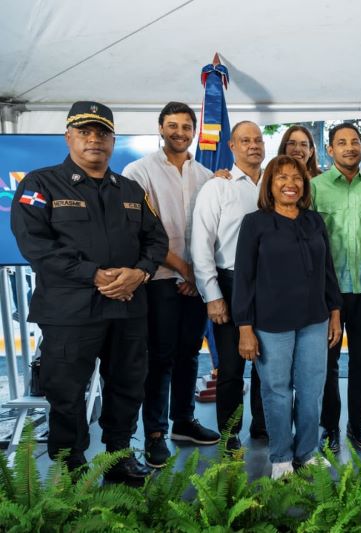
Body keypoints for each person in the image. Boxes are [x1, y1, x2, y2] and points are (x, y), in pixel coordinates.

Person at [10, 101, 168, 484]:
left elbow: (157, 239)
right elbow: (35, 244)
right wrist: (93, 275)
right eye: (84, 132)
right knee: (66, 391)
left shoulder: (130, 190)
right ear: (69, 137)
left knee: (128, 386)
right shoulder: (40, 185)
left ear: (113, 140)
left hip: (128, 308)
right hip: (70, 311)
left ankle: (118, 456)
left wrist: (140, 273)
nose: (94, 139)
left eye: (102, 133)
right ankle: (70, 464)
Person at [123, 102, 220, 469]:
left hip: (196, 282)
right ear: (160, 128)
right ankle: (155, 434)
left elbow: (211, 229)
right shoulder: (138, 172)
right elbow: (141, 231)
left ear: (194, 131)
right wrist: (183, 269)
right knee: (160, 357)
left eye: (186, 126)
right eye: (173, 125)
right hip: (160, 280)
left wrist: (196, 276)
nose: (180, 132)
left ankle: (184, 421)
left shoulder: (207, 176)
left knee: (189, 354)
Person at [233, 155, 342, 479]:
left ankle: (307, 452)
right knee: (277, 391)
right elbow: (243, 278)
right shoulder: (254, 223)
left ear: (304, 185)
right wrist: (245, 328)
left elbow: (328, 272)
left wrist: (335, 313)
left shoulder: (314, 221)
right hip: (271, 324)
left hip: (314, 320)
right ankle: (281, 456)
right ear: (270, 184)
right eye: (281, 177)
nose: (290, 184)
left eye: (296, 178)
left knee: (311, 390)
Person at [191, 121, 267, 449]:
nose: (254, 146)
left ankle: (264, 426)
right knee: (232, 367)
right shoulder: (217, 187)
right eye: (245, 140)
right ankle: (230, 433)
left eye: (258, 140)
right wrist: (212, 295)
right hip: (231, 283)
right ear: (232, 147)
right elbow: (201, 244)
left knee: (268, 364)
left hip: (272, 285)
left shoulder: (273, 184)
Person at [313, 123, 361, 453]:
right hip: (326, 292)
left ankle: (357, 425)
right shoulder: (315, 188)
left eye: (355, 141)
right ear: (330, 149)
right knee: (327, 364)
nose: (349, 147)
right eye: (341, 142)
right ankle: (329, 427)